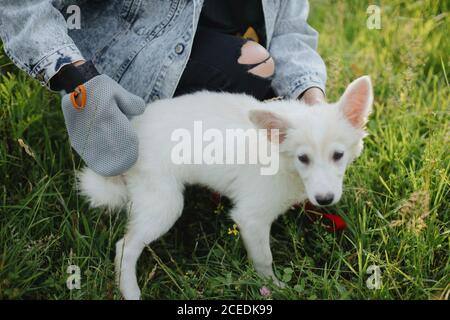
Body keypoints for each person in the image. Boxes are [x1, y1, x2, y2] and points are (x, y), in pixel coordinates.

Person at [0, 0, 327, 176]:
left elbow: (290, 28)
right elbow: (21, 6)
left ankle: (203, 150)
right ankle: (153, 144)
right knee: (254, 66)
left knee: (267, 89)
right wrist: (78, 78)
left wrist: (313, 99)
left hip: (219, 47)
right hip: (136, 55)